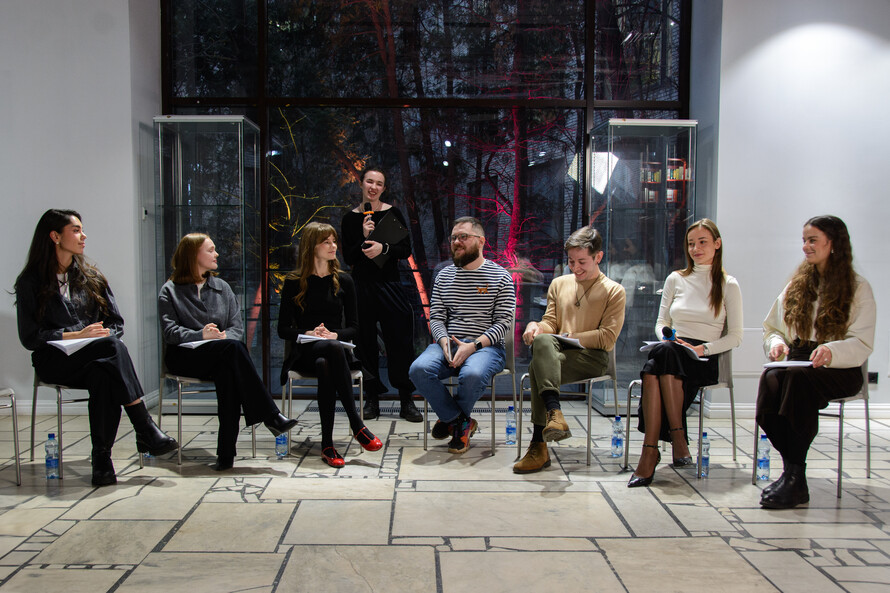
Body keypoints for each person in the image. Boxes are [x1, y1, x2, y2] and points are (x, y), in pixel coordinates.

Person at [15, 209, 178, 486]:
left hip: (95, 360)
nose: (84, 235)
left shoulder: (91, 278)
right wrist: (76, 335)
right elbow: (30, 338)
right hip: (55, 362)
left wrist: (99, 336)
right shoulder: (30, 282)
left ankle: (102, 459)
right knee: (110, 350)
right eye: (76, 230)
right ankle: (144, 427)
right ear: (55, 236)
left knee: (104, 372)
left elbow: (116, 323)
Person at [756, 215, 874, 509]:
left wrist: (831, 350)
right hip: (798, 361)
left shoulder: (858, 288)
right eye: (804, 241)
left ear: (833, 244)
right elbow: (772, 328)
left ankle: (794, 478)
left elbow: (861, 343)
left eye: (813, 240)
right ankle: (793, 473)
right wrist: (776, 344)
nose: (806, 247)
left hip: (839, 368)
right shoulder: (797, 285)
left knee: (799, 382)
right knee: (770, 381)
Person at [159, 233, 297, 471]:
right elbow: (170, 332)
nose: (217, 254)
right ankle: (271, 416)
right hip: (185, 357)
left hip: (221, 354)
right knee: (232, 353)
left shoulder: (222, 288)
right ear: (193, 255)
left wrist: (222, 337)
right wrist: (201, 335)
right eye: (210, 250)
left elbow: (236, 329)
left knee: (229, 371)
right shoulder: (170, 290)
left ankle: (226, 455)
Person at [627, 218, 743, 488]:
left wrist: (701, 348)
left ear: (717, 244)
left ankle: (651, 451)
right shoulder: (675, 279)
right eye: (691, 244)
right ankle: (676, 440)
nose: (695, 249)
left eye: (702, 242)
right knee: (662, 358)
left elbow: (736, 336)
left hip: (703, 357)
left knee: (655, 366)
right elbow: (661, 323)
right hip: (673, 348)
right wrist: (668, 337)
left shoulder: (728, 284)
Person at [513, 227, 626, 473]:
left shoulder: (613, 291)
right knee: (541, 346)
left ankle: (538, 445)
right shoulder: (559, 284)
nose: (575, 268)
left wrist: (569, 337)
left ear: (598, 256)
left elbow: (607, 338)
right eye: (571, 261)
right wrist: (535, 326)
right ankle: (554, 413)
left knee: (537, 365)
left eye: (582, 261)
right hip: (558, 354)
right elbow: (550, 323)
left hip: (592, 358)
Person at [278, 222, 383, 468]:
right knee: (329, 352)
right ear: (311, 247)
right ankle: (357, 425)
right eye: (326, 242)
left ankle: (328, 445)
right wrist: (309, 332)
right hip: (304, 352)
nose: (333, 246)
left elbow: (354, 328)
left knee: (326, 360)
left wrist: (333, 334)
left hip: (335, 353)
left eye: (334, 241)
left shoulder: (344, 281)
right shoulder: (294, 282)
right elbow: (282, 329)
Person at [408, 217, 515, 454]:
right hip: (449, 343)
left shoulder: (500, 276)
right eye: (454, 237)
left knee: (473, 374)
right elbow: (436, 317)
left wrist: (473, 346)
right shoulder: (444, 275)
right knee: (418, 369)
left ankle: (451, 421)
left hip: (487, 347)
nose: (457, 242)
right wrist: (444, 342)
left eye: (463, 237)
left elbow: (503, 323)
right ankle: (459, 421)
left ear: (481, 241)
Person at [340, 167, 421, 422]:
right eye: (369, 182)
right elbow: (349, 257)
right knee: (364, 344)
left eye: (379, 183)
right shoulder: (349, 219)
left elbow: (405, 249)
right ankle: (371, 399)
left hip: (390, 284)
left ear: (384, 188)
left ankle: (406, 399)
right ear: (361, 184)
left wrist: (383, 247)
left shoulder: (392, 213)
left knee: (400, 341)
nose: (373, 187)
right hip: (361, 286)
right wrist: (363, 237)